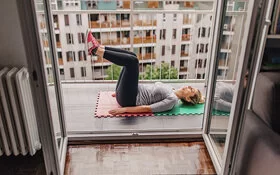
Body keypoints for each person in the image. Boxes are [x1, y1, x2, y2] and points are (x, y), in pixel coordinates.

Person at [86, 31, 204, 115]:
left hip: (129, 100)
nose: (189, 86)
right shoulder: (171, 89)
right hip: (127, 93)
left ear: (188, 99)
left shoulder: (172, 100)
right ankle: (98, 47)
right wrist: (121, 90)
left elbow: (148, 109)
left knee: (132, 62)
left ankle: (96, 50)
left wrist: (124, 110)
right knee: (133, 56)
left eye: (191, 90)